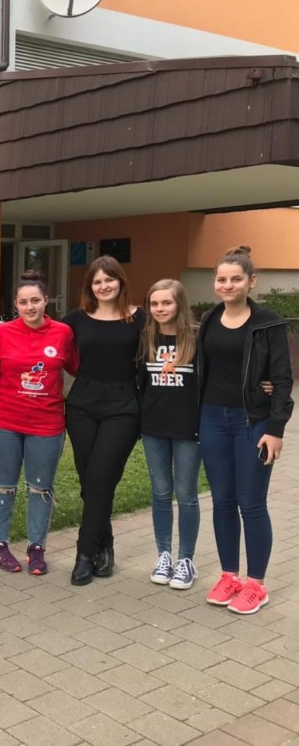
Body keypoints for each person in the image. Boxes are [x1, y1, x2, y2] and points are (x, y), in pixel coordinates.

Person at [198, 246, 293, 615]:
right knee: (222, 500)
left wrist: (276, 428)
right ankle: (229, 576)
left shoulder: (268, 323)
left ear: (251, 281)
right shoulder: (209, 318)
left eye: (236, 279)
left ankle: (256, 584)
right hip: (211, 419)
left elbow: (282, 380)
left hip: (252, 422)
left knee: (251, 503)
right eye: (222, 279)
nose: (228, 285)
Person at [0, 270, 77, 576]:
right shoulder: (2, 334)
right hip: (5, 422)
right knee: (3, 486)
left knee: (40, 488)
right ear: (16, 304)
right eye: (23, 302)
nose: (30, 307)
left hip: (47, 425)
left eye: (35, 300)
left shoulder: (63, 333)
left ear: (46, 300)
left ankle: (37, 548)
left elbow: (77, 369)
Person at [62, 256, 145, 586]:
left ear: (120, 281)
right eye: (97, 281)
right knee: (90, 481)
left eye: (109, 279)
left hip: (123, 406)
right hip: (82, 404)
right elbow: (42, 338)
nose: (104, 286)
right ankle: (105, 546)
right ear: (90, 287)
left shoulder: (140, 318)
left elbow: (175, 340)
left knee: (100, 477)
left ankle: (84, 554)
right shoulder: (76, 319)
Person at [138, 279, 201, 590]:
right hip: (154, 428)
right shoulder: (146, 338)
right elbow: (139, 382)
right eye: (154, 303)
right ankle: (164, 555)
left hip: (189, 429)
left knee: (186, 495)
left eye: (167, 302)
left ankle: (186, 560)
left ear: (179, 304)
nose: (160, 308)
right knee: (161, 492)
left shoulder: (197, 338)